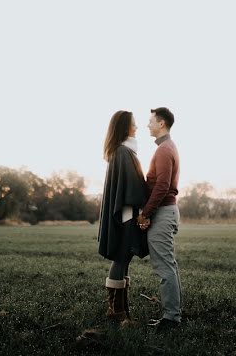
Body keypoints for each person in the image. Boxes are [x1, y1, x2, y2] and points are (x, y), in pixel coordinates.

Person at [97, 110, 149, 325]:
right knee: (121, 258)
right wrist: (142, 211)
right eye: (133, 124)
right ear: (124, 127)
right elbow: (130, 190)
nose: (136, 128)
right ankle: (116, 311)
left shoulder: (123, 152)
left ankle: (121, 309)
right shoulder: (122, 153)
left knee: (124, 260)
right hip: (127, 217)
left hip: (128, 215)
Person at [137, 107, 182, 330]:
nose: (147, 125)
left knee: (164, 267)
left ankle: (171, 319)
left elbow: (162, 186)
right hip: (166, 211)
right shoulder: (167, 147)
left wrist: (145, 213)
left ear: (161, 123)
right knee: (169, 266)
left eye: (151, 121)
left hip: (163, 213)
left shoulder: (164, 150)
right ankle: (173, 315)